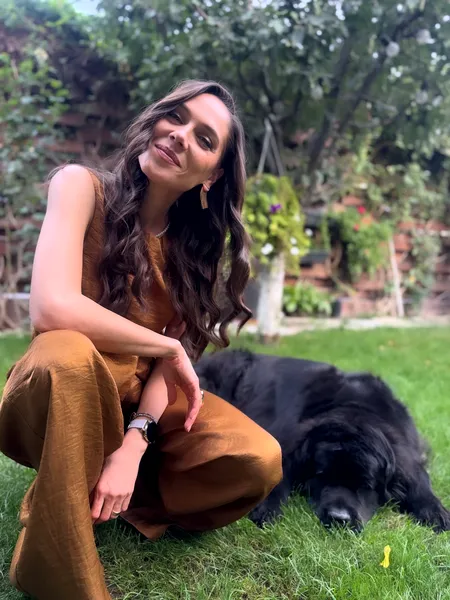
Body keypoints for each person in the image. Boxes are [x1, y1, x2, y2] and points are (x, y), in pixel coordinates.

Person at [0, 80, 282, 600]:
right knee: (70, 353)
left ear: (212, 176)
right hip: (56, 392)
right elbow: (51, 307)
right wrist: (167, 346)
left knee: (256, 457)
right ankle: (55, 570)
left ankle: (108, 489)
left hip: (134, 409)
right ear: (155, 120)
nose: (179, 135)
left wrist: (134, 444)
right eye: (176, 117)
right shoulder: (80, 186)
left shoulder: (191, 252)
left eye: (203, 138)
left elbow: (162, 376)